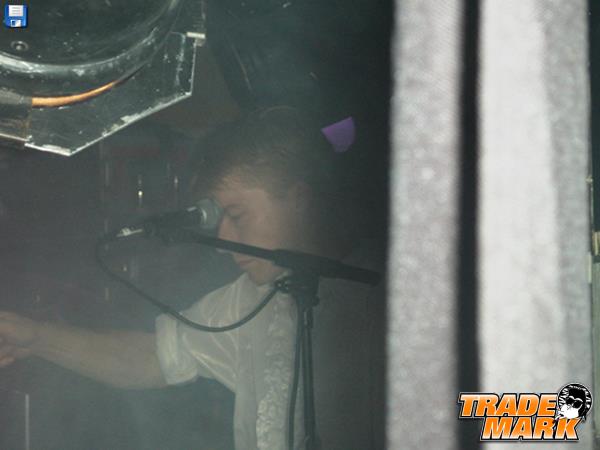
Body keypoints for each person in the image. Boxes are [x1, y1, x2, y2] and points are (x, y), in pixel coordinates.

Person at [0, 107, 385, 449]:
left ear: (299, 200)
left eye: (237, 215)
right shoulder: (249, 299)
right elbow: (152, 358)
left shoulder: (392, 296)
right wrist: (36, 337)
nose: (225, 240)